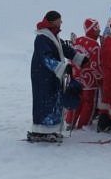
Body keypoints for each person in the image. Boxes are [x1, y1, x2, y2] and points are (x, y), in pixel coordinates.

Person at [29, 10, 87, 143]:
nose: (61, 22)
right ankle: (41, 131)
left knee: (54, 101)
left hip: (53, 75)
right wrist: (60, 67)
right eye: (59, 20)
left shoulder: (52, 36)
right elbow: (45, 57)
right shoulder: (42, 38)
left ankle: (51, 129)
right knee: (44, 102)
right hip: (42, 76)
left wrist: (79, 58)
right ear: (52, 21)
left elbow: (65, 50)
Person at [65, 18, 103, 130]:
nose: (99, 31)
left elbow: (71, 59)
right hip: (90, 81)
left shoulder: (77, 41)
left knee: (76, 100)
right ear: (93, 29)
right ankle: (84, 125)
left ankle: (69, 122)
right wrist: (101, 78)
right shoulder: (95, 45)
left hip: (76, 78)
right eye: (97, 28)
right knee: (88, 103)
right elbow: (96, 65)